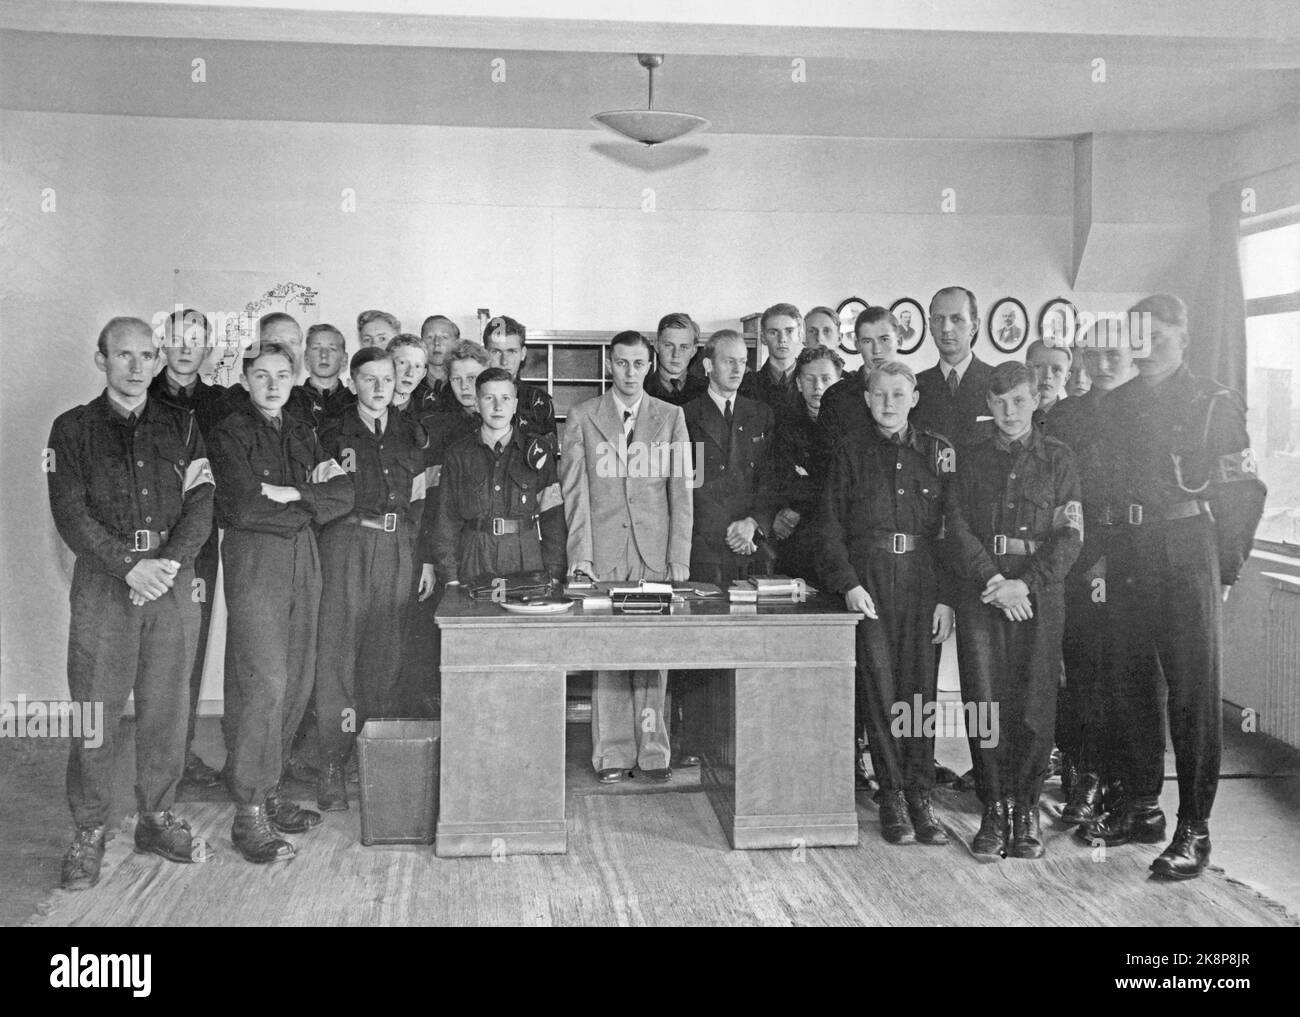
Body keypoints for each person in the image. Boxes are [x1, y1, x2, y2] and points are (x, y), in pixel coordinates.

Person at [1080, 294, 1265, 880]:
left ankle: (1195, 827)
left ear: (1183, 338)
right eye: (1140, 335)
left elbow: (1243, 494)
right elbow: (1102, 491)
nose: (1147, 346)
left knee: (1191, 695)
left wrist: (1226, 571)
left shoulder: (1213, 402)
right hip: (1129, 553)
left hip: (1188, 555)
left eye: (1159, 336)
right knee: (1131, 685)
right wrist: (1100, 559)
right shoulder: (1119, 404)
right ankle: (1141, 807)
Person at [47, 316, 215, 889]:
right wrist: (128, 566)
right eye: (124, 356)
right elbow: (70, 513)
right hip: (105, 585)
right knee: (96, 710)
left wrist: (166, 565)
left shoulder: (184, 426)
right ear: (102, 360)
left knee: (166, 706)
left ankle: (157, 815)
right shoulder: (71, 430)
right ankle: (89, 831)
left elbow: (202, 502)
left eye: (147, 355)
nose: (139, 366)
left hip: (169, 581)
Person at [208, 340, 354, 863]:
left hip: (302, 556)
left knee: (298, 678)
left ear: (293, 378)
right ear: (245, 379)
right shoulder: (229, 432)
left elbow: (344, 495)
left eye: (281, 374)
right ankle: (247, 813)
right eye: (261, 375)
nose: (272, 384)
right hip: (256, 560)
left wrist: (291, 495)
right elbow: (241, 505)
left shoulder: (300, 429)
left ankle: (269, 793)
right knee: (264, 683)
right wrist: (306, 503)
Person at [944, 362, 1083, 860]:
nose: (1009, 412)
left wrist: (1025, 583)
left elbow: (1071, 535)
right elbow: (954, 525)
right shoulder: (970, 457)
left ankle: (1024, 809)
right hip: (984, 592)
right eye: (999, 402)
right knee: (984, 700)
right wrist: (993, 580)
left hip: (1038, 596)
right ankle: (993, 808)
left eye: (1019, 401)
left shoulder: (1060, 459)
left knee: (1034, 702)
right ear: (988, 405)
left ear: (1034, 401)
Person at [819, 361, 956, 846]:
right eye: (880, 394)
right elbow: (829, 527)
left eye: (899, 394)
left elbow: (949, 531)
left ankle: (921, 793)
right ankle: (892, 795)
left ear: (914, 398)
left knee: (919, 691)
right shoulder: (849, 452)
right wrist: (849, 584)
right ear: (867, 398)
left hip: (922, 580)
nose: (889, 402)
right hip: (871, 580)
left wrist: (945, 599)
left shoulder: (938, 453)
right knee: (879, 689)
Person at [559, 330, 693, 783]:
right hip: (606, 555)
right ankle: (613, 753)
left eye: (638, 364)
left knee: (655, 656)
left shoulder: (671, 417)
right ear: (609, 365)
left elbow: (681, 494)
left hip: (654, 555)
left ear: (649, 366)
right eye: (621, 363)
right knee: (611, 655)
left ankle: (654, 752)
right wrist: (582, 555)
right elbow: (574, 494)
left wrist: (679, 557)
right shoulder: (583, 416)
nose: (630, 372)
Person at [313, 346, 430, 811]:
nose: (381, 387)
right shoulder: (330, 432)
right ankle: (331, 765)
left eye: (388, 377)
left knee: (385, 657)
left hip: (398, 547)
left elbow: (420, 503)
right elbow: (322, 498)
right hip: (348, 543)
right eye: (370, 379)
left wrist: (424, 560)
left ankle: (371, 755)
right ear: (353, 380)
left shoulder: (412, 433)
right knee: (338, 657)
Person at [1043, 326, 1142, 827]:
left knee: (1126, 676)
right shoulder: (1064, 416)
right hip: (1079, 555)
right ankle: (1080, 779)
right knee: (1079, 670)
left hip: (1134, 556)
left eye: (1113, 354)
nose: (1102, 364)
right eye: (1093, 354)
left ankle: (1122, 787)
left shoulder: (1146, 407)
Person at [677, 330, 777, 766]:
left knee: (750, 644)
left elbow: (773, 479)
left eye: (744, 361)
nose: (738, 368)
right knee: (701, 647)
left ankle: (742, 744)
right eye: (729, 361)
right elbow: (687, 485)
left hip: (752, 545)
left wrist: (753, 523)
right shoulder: (685, 414)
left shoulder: (762, 415)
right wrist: (727, 529)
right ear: (707, 365)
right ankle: (696, 743)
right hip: (705, 545)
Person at [148, 308, 232, 790]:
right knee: (153, 657)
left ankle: (178, 758)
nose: (185, 349)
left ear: (207, 349)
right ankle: (156, 763)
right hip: (148, 544)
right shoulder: (143, 396)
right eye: (177, 339)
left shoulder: (221, 403)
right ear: (164, 345)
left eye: (195, 341)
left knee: (190, 649)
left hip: (198, 540)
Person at [398, 341, 490, 718]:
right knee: (434, 646)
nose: (465, 386)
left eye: (472, 377)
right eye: (456, 379)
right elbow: (427, 505)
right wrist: (429, 561)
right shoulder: (433, 429)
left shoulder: (505, 421)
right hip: (446, 550)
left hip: (491, 551)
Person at [432, 367, 567, 586]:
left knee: (520, 618)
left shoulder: (537, 452)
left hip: (524, 555)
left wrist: (553, 573)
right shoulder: (458, 455)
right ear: (476, 403)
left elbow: (553, 518)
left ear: (514, 405)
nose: (497, 406)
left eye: (505, 398)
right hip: (475, 554)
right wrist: (450, 577)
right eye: (489, 398)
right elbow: (445, 520)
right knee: (474, 617)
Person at [770, 345, 842, 583]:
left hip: (839, 546)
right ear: (799, 383)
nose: (818, 387)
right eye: (810, 379)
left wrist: (799, 505)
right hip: (795, 546)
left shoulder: (851, 430)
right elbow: (777, 481)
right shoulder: (783, 426)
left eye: (826, 379)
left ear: (839, 381)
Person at [913, 286, 995, 450]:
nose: (946, 328)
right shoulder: (915, 385)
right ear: (930, 326)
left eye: (956, 319)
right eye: (938, 319)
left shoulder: (996, 381)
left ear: (974, 326)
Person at [820, 306, 901, 442]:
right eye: (867, 341)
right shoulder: (836, 396)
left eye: (884, 339)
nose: (877, 350)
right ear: (857, 345)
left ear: (899, 342)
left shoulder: (917, 392)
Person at [482, 315, 557, 445]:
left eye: (511, 351)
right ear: (485, 353)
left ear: (523, 354)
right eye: (496, 352)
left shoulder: (537, 401)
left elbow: (549, 458)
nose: (504, 361)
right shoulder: (471, 397)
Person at [288, 323, 356, 429]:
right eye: (316, 348)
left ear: (344, 360)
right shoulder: (288, 399)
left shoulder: (356, 401)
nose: (324, 355)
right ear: (306, 359)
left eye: (332, 349)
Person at [743, 302, 803, 411]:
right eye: (773, 332)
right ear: (763, 338)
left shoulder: (812, 380)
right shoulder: (746, 384)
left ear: (799, 336)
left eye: (789, 331)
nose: (782, 339)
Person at [643, 312, 707, 405]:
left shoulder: (708, 390)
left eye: (684, 347)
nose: (676, 354)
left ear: (693, 351)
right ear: (657, 346)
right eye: (668, 345)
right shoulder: (641, 388)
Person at [412, 314, 460, 414]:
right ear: (421, 342)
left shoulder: (463, 383)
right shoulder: (410, 381)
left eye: (444, 337)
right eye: (430, 337)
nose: (437, 342)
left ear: (456, 343)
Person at [1025, 338, 1071, 424]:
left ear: (1065, 379)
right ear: (1026, 370)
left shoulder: (1072, 420)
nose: (1047, 376)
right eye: (1038, 366)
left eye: (1056, 369)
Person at [386, 333, 429, 417]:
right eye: (402, 363)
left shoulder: (428, 413)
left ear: (423, 374)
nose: (410, 373)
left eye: (417, 366)